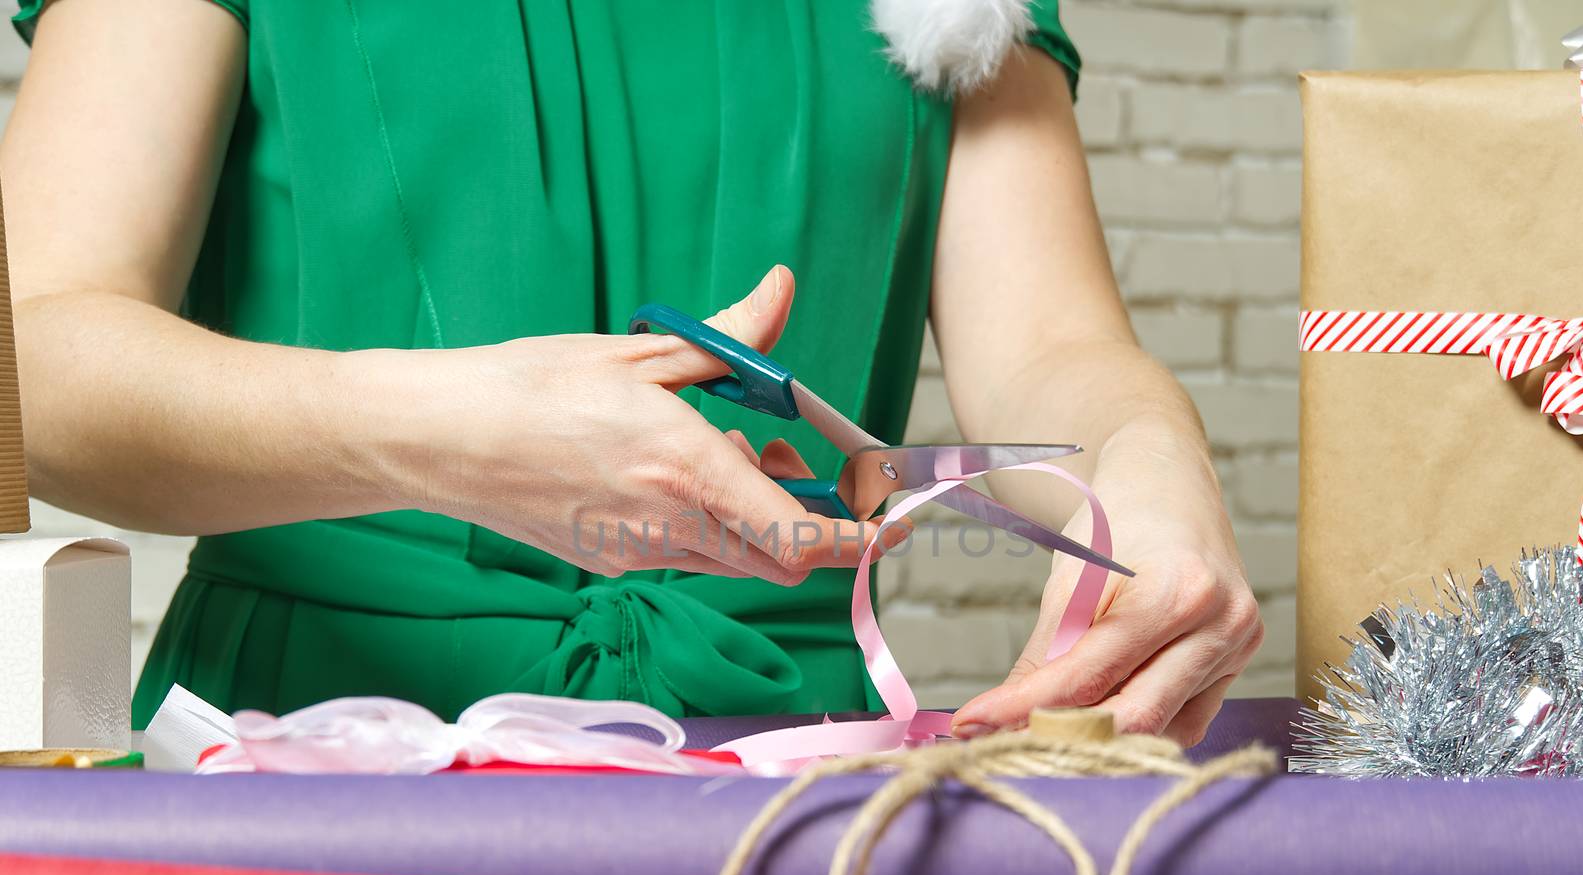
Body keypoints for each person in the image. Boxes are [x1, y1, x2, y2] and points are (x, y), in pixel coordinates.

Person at [0, 0, 1262, 744]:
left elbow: (1053, 347)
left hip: (779, 773)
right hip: (303, 752)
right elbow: (36, 358)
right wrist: (433, 435)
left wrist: (1154, 468)